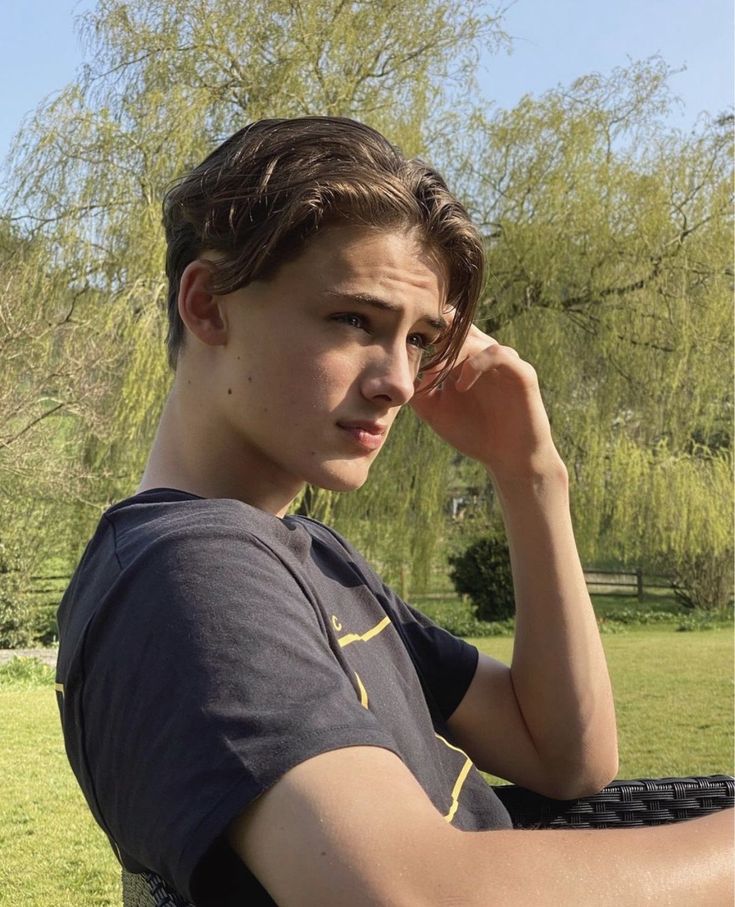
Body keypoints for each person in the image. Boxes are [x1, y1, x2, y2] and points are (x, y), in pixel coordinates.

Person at [56, 116, 733, 906]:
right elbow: (406, 893)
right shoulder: (192, 568)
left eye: (419, 339)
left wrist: (530, 476)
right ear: (208, 306)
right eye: (355, 320)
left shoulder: (305, 554)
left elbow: (566, 754)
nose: (400, 381)